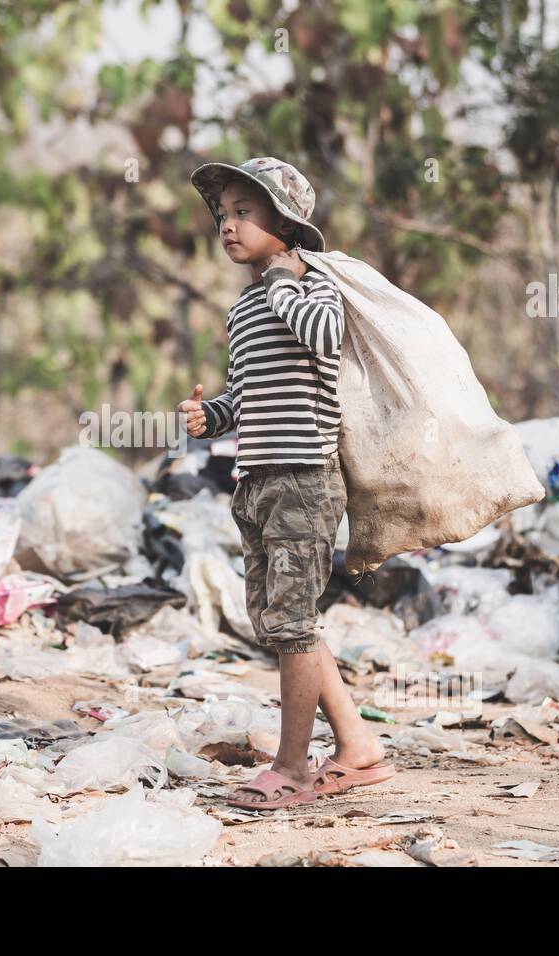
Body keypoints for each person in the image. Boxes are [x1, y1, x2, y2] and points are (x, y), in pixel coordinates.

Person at [178, 156, 396, 809]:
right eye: (223, 215)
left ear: (286, 221)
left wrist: (283, 278)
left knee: (295, 623)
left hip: (305, 478)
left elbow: (325, 337)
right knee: (279, 621)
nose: (228, 225)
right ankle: (357, 746)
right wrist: (206, 416)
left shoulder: (309, 285)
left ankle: (293, 768)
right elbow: (245, 398)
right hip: (257, 480)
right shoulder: (244, 308)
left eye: (245, 212)